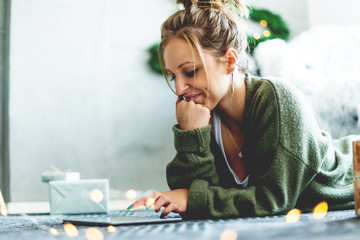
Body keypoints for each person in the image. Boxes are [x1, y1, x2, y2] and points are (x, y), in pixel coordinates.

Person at [128, 0, 360, 219]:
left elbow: (273, 200)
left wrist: (193, 198)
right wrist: (191, 136)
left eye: (190, 72)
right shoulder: (202, 115)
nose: (179, 88)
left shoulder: (277, 99)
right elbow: (199, 195)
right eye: (172, 76)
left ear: (230, 60)